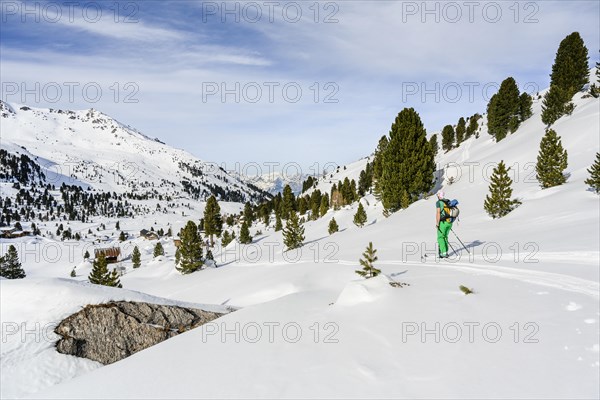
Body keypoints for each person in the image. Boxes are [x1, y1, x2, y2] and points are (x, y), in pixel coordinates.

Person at [435, 190, 452, 258]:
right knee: (445, 237)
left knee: (440, 237)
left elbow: (438, 213)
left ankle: (443, 253)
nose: (437, 196)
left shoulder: (438, 202)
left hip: (442, 222)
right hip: (449, 222)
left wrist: (437, 223)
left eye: (437, 195)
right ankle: (446, 252)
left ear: (439, 195)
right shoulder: (447, 201)